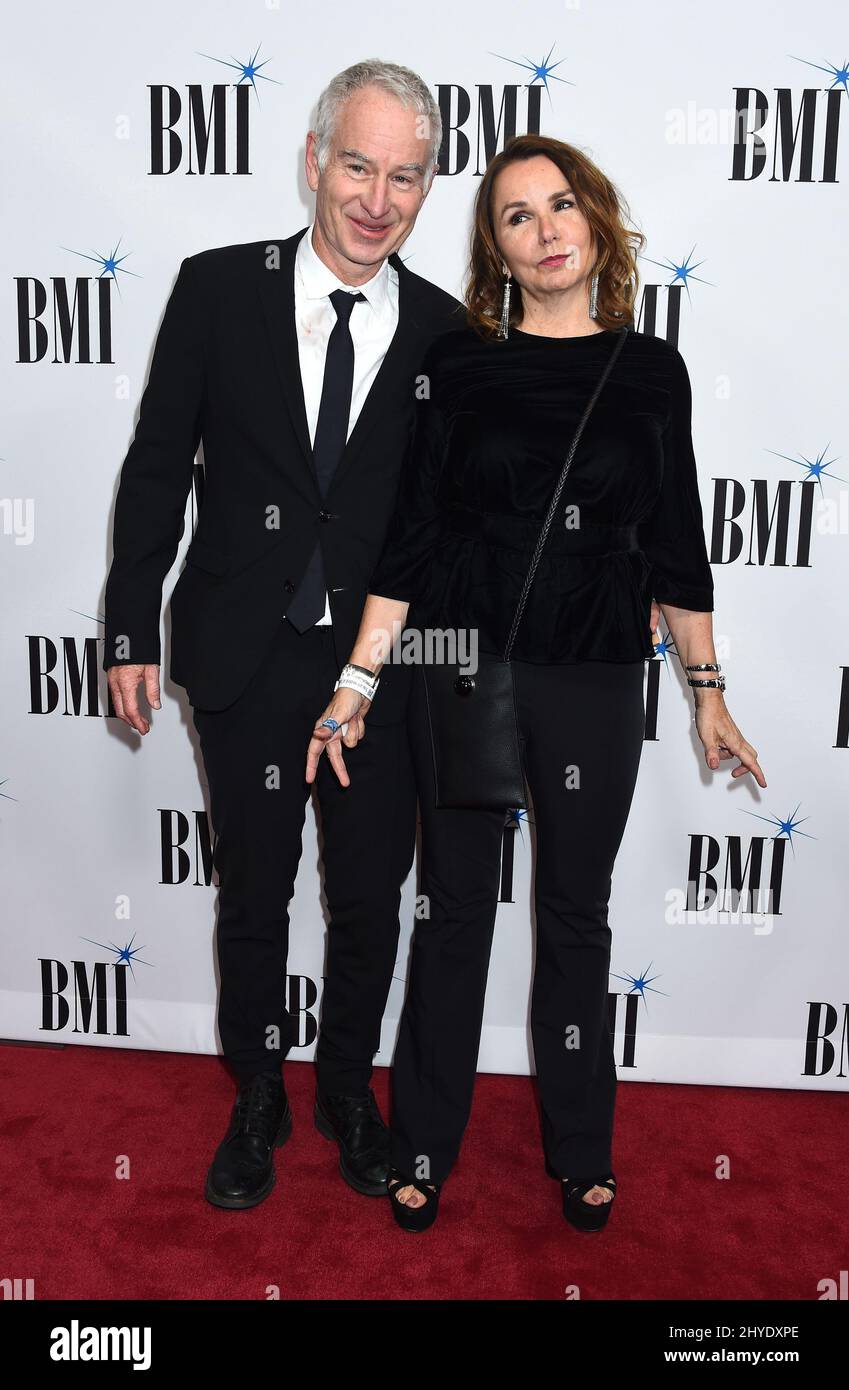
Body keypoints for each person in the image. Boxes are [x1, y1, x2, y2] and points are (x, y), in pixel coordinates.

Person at [307, 132, 766, 1233]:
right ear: (497, 251)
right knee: (454, 907)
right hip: (460, 666)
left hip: (597, 671)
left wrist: (706, 688)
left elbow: (677, 540)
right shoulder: (459, 364)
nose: (548, 229)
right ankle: (422, 1135)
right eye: (518, 216)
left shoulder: (651, 369)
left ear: (597, 221)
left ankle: (581, 1145)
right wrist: (360, 679)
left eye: (562, 206)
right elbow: (413, 537)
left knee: (575, 915)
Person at [103, 60, 465, 1209]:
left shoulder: (448, 336)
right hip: (244, 656)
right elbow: (159, 468)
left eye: (405, 176)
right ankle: (257, 1091)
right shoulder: (218, 290)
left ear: (425, 188)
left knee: (368, 896)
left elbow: (441, 527)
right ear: (313, 160)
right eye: (358, 165)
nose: (377, 197)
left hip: (379, 674)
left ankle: (348, 1091)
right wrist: (125, 626)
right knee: (253, 892)